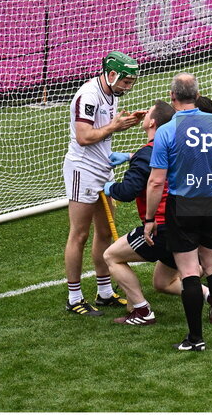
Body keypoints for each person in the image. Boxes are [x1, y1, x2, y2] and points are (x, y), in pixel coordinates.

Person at [102, 97, 212, 326]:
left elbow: (135, 187)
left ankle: (144, 312)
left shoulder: (177, 143)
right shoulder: (184, 144)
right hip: (191, 218)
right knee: (163, 283)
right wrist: (131, 156)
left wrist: (109, 188)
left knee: (111, 256)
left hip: (175, 223)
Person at [144, 73, 212, 351]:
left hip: (182, 206)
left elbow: (156, 181)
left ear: (172, 97)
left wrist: (150, 219)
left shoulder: (166, 131)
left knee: (188, 273)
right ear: (197, 96)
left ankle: (196, 338)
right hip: (211, 202)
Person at [62, 51, 144, 316]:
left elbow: (104, 129)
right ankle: (74, 297)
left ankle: (105, 292)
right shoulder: (89, 95)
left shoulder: (109, 92)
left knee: (105, 231)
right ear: (111, 74)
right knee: (80, 234)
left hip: (103, 167)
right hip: (83, 170)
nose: (128, 87)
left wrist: (125, 123)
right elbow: (84, 136)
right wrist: (114, 127)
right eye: (126, 82)